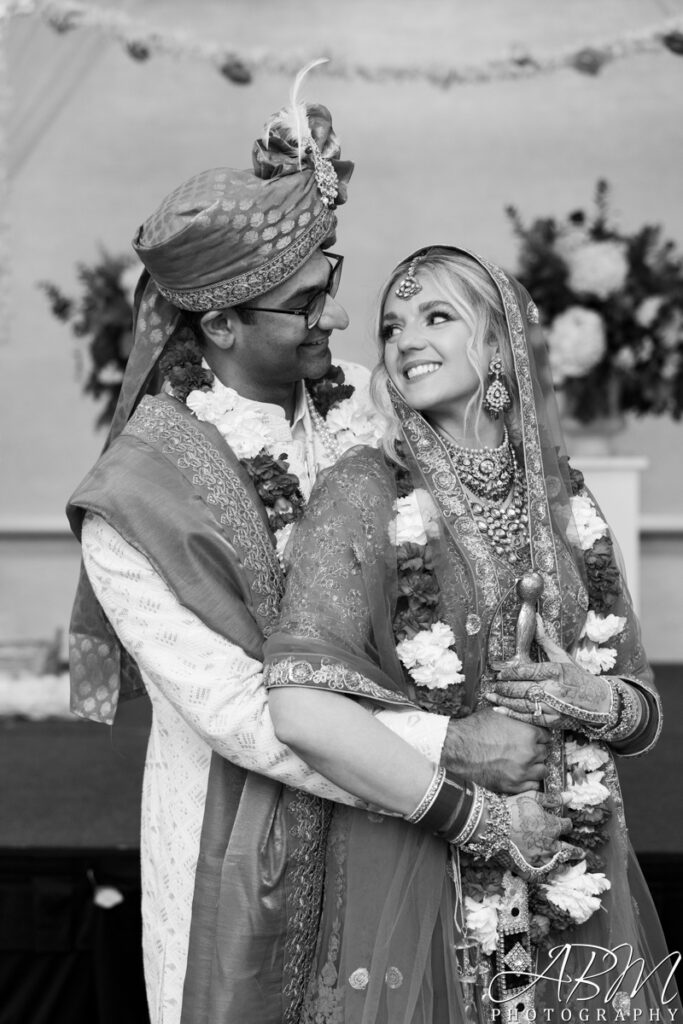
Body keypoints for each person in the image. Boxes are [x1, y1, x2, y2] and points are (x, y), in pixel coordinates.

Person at [65, 92, 554, 1024]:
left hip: (424, 840)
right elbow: (242, 713)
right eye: (302, 304)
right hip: (244, 828)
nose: (335, 317)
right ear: (217, 325)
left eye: (328, 284)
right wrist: (453, 754)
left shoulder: (368, 405)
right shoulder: (128, 504)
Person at [263, 246, 680, 1023]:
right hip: (422, 865)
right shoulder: (364, 488)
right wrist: (478, 804)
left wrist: (593, 698)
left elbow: (644, 710)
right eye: (392, 326)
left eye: (435, 316)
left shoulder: (561, 495)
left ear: (497, 345)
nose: (403, 338)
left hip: (569, 860)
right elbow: (300, 707)